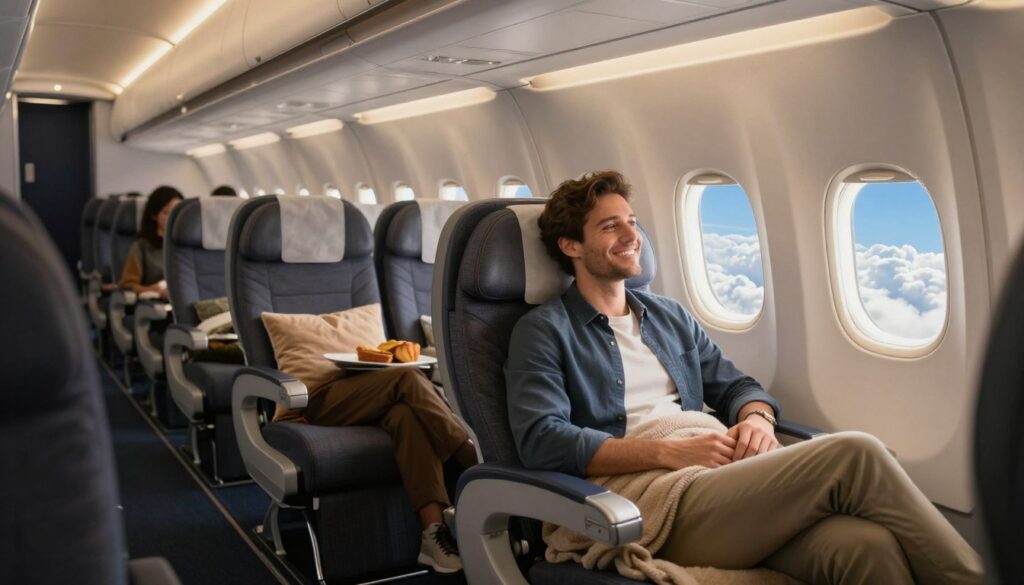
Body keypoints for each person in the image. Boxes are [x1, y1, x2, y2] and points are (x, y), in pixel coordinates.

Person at [505, 170, 983, 585]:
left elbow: (736, 387)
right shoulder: (545, 331)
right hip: (644, 503)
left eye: (632, 221)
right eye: (610, 226)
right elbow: (542, 440)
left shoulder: (668, 316)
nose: (631, 235)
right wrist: (668, 452)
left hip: (713, 478)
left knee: (863, 547)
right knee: (856, 452)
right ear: (571, 245)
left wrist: (757, 420)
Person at [117, 186, 182, 300]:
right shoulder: (141, 247)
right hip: (156, 307)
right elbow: (127, 286)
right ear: (154, 215)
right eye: (167, 213)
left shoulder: (186, 247)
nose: (173, 219)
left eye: (177, 213)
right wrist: (153, 290)